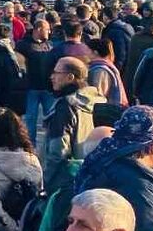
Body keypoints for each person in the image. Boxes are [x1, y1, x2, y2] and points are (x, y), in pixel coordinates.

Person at [41, 58, 105, 192]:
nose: (51, 77)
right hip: (90, 174)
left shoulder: (66, 105)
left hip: (65, 179)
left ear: (70, 77)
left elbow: (58, 150)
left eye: (56, 73)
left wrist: (45, 182)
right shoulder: (98, 100)